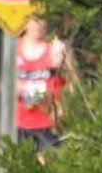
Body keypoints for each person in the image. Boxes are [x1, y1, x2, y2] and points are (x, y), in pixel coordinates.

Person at [15, 17, 68, 157]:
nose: (38, 24)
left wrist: (62, 63)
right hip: (20, 123)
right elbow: (6, 88)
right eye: (34, 20)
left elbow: (73, 85)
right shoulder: (14, 49)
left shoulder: (57, 49)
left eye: (41, 19)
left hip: (50, 124)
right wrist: (39, 92)